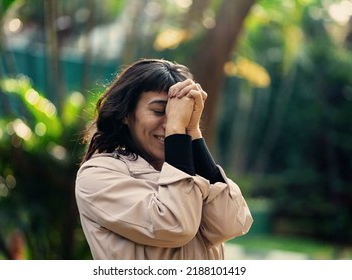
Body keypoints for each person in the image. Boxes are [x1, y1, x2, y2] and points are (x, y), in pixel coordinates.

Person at [75, 58, 253, 260]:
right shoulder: (97, 176)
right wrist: (177, 128)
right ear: (126, 114)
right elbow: (174, 226)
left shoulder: (186, 169)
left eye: (178, 113)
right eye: (159, 111)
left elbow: (232, 224)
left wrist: (192, 130)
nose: (170, 124)